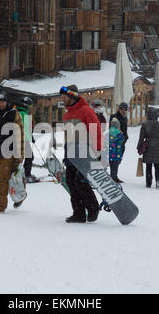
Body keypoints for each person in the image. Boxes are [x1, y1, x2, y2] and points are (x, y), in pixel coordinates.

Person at [60, 85, 102, 223]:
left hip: (85, 153)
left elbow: (95, 131)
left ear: (72, 96)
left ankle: (93, 208)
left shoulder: (86, 111)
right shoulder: (67, 115)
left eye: (65, 96)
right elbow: (67, 137)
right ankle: (78, 213)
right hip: (71, 154)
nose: (63, 99)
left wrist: (97, 152)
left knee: (81, 183)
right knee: (71, 183)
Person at [137, 108, 159, 188]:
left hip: (148, 146)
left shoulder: (144, 125)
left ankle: (149, 182)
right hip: (158, 146)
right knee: (157, 165)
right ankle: (158, 181)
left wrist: (139, 147)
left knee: (148, 165)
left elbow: (141, 138)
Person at [15, 96, 37, 182]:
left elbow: (27, 129)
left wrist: (31, 137)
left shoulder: (21, 113)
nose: (30, 108)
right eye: (29, 106)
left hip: (22, 139)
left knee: (26, 157)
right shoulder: (23, 114)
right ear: (25, 105)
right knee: (29, 157)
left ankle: (20, 173)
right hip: (22, 139)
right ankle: (26, 174)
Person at [109, 118, 125, 182]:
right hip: (116, 153)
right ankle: (114, 177)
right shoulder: (119, 134)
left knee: (111, 165)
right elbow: (121, 141)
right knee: (115, 166)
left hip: (109, 153)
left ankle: (112, 177)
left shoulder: (108, 132)